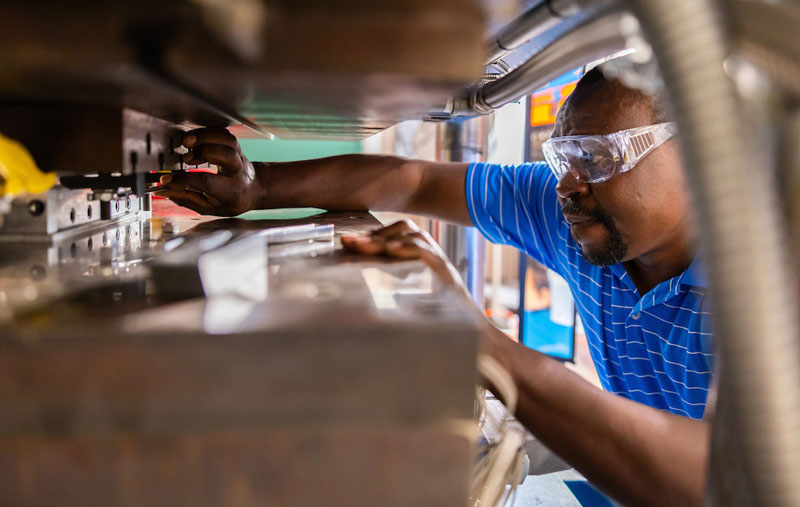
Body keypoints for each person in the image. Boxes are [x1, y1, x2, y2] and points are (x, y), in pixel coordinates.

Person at [155, 67, 712, 506]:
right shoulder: (576, 217)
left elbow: (712, 482)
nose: (568, 184)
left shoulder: (761, 286)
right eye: (563, 157)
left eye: (595, 158)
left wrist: (482, 341)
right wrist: (262, 185)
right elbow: (415, 181)